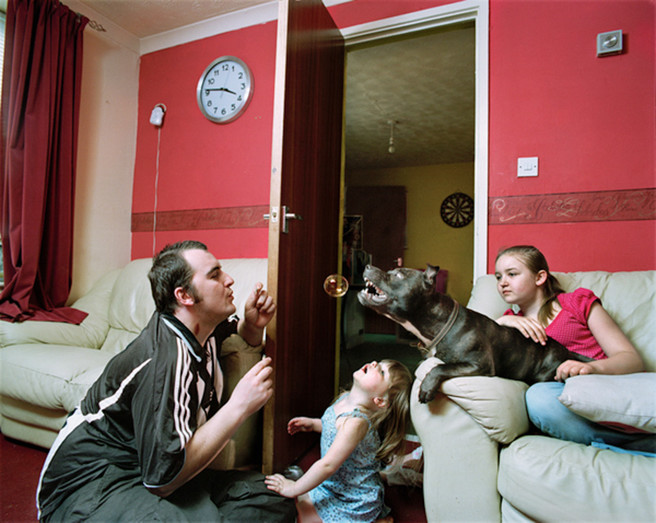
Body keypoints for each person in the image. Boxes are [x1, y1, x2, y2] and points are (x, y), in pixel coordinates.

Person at [36, 240, 295, 522]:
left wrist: (253, 325)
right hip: (92, 481)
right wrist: (239, 406)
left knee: (274, 496)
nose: (229, 279)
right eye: (215, 274)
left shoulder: (203, 326)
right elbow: (163, 480)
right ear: (184, 296)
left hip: (150, 471)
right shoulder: (164, 359)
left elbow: (234, 336)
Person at [494, 245, 654, 452]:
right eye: (498, 277)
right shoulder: (508, 324)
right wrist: (501, 323)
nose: (503, 283)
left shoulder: (575, 303)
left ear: (540, 277)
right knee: (538, 397)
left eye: (512, 274)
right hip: (566, 401)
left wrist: (591, 368)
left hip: (608, 386)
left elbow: (631, 359)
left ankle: (634, 443)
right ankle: (626, 445)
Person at [265, 359, 413, 523]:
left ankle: (377, 520)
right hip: (333, 484)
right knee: (302, 503)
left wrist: (293, 488)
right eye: (378, 362)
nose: (373, 364)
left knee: (303, 516)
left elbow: (328, 465)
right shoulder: (346, 397)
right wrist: (314, 424)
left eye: (382, 372)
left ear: (380, 401)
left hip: (352, 497)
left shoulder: (356, 423)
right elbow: (334, 427)